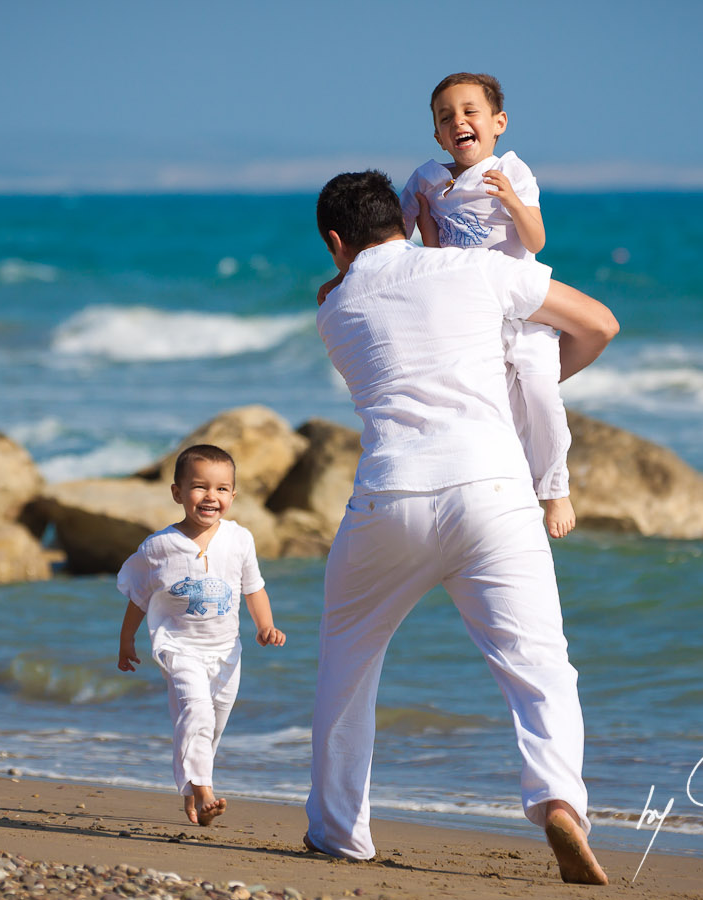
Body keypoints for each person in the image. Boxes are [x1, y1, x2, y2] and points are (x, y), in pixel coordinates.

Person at [304, 170, 617, 885]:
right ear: (403, 218)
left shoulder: (333, 310)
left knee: (348, 659)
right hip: (494, 489)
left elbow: (365, 297)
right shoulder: (477, 269)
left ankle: (338, 830)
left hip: (391, 496)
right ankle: (560, 801)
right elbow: (599, 324)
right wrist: (518, 396)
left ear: (334, 242)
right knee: (539, 665)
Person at [404, 72, 574, 539]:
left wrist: (514, 203)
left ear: (498, 122)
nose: (458, 121)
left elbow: (536, 240)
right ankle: (514, 488)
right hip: (471, 316)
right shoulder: (428, 179)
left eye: (469, 111)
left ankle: (555, 488)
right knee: (496, 409)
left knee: (541, 397)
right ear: (437, 134)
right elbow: (394, 239)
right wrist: (347, 272)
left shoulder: (513, 171)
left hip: (523, 310)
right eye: (446, 117)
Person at [116, 444, 286, 826]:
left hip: (227, 651)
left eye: (222, 489)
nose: (211, 496)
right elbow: (139, 597)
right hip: (178, 646)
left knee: (212, 725)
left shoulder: (240, 539)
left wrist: (265, 625)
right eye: (199, 487)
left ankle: (194, 792)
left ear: (233, 496)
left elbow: (253, 587)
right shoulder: (158, 547)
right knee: (197, 711)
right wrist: (126, 640)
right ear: (177, 492)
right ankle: (206, 789)